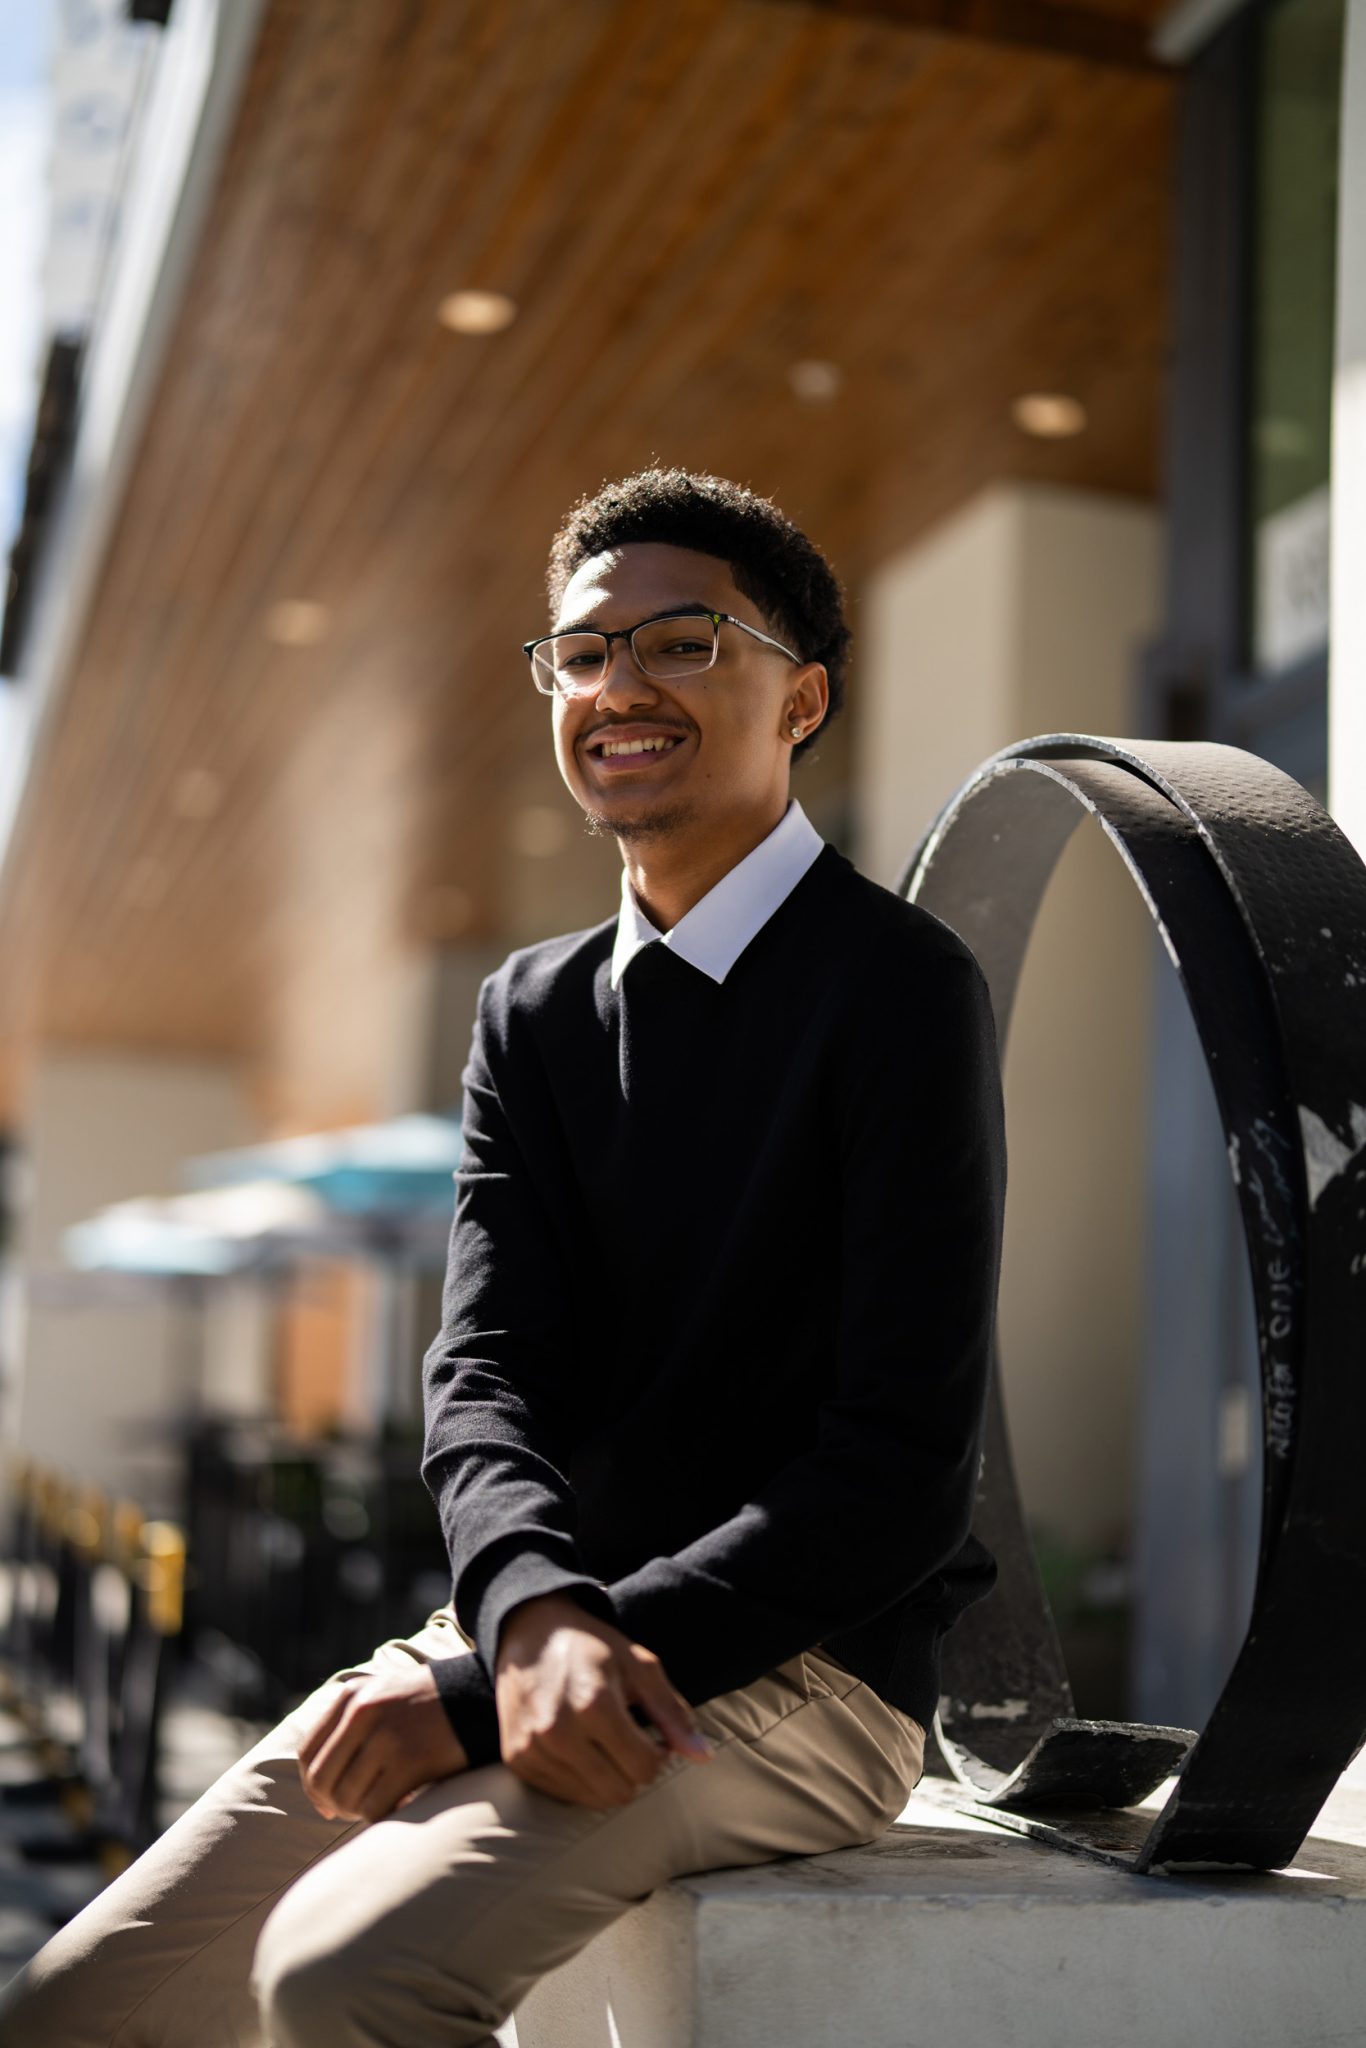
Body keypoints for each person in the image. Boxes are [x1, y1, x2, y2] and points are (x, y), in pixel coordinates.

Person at [0, 467, 1007, 2047]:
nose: (619, 688)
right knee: (76, 2008)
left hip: (800, 1676)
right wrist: (526, 1624)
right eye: (582, 654)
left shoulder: (894, 988)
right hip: (533, 1628)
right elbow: (483, 1373)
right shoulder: (531, 1011)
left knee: (340, 1976)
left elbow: (897, 1469)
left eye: (681, 643)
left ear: (800, 698)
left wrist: (501, 1680)